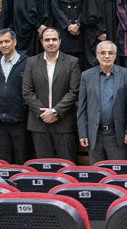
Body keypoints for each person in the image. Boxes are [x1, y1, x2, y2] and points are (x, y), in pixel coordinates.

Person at [22, 27, 82, 162]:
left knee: (67, 164)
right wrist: (43, 113)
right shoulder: (31, 62)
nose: (51, 43)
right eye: (47, 40)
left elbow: (74, 91)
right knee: (44, 166)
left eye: (54, 39)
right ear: (42, 42)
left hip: (63, 123)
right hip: (39, 123)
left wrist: (55, 112)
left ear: (60, 41)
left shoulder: (72, 62)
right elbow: (27, 91)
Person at [77, 41, 127, 162]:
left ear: (115, 55)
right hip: (95, 135)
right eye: (103, 53)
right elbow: (81, 107)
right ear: (97, 55)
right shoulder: (86, 76)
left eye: (110, 53)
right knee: (97, 171)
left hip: (117, 134)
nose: (106, 56)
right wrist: (82, 133)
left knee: (118, 170)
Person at [0, 29, 29, 164]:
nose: (4, 45)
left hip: (20, 120)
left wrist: (23, 108)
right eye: (0, 42)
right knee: (3, 162)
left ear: (14, 42)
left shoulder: (27, 63)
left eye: (7, 41)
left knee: (21, 160)